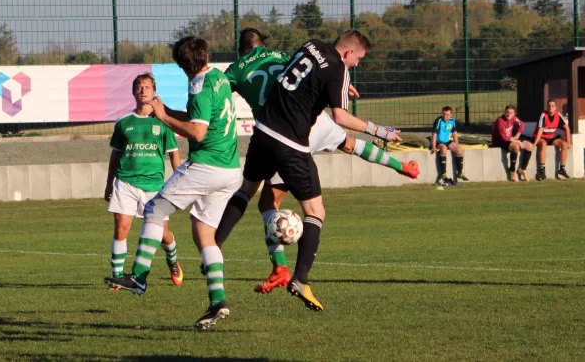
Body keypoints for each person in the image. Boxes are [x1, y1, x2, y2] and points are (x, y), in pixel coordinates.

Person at [217, 28, 419, 295]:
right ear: (348, 53)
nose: (357, 64)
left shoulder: (308, 46)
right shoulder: (288, 56)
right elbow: (340, 112)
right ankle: (295, 277)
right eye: (358, 59)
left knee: (260, 198)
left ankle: (226, 249)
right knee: (344, 153)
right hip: (301, 131)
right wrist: (379, 129)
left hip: (268, 127)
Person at [105, 37, 242, 331]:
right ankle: (218, 299)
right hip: (230, 169)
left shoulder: (199, 86)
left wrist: (164, 116)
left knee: (154, 208)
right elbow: (198, 118)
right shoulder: (218, 77)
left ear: (182, 65)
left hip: (209, 164)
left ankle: (139, 276)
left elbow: (198, 133)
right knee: (204, 234)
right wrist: (165, 111)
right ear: (206, 54)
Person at [104, 73, 183, 287]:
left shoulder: (164, 122)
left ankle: (173, 260)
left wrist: (180, 183)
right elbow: (115, 154)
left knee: (164, 235)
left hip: (155, 186)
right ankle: (118, 277)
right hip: (126, 182)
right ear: (133, 92)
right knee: (121, 228)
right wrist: (108, 183)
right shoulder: (123, 123)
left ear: (154, 92)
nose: (143, 90)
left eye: (147, 87)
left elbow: (174, 154)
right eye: (139, 87)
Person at [491, 105, 534, 182]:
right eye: (507, 112)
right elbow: (504, 138)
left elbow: (522, 125)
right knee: (515, 147)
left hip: (509, 138)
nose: (509, 114)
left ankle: (522, 169)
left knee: (530, 146)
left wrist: (518, 135)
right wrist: (517, 141)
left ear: (514, 114)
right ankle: (512, 170)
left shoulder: (513, 118)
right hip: (499, 141)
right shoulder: (500, 121)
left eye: (511, 113)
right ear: (504, 112)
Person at [531, 99, 571, 180]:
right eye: (549, 106)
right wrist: (534, 144)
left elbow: (567, 128)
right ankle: (542, 171)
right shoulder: (543, 115)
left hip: (551, 137)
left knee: (564, 145)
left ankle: (562, 169)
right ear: (547, 107)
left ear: (555, 107)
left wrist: (569, 142)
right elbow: (540, 130)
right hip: (540, 137)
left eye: (553, 106)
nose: (551, 107)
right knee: (543, 144)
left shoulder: (558, 115)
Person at [431, 106, 468, 183]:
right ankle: (443, 173)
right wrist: (434, 147)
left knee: (459, 149)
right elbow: (434, 134)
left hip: (447, 141)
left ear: (451, 115)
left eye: (447, 114)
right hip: (439, 142)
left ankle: (460, 173)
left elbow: (454, 133)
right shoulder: (438, 121)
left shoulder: (452, 121)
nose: (445, 116)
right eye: (443, 114)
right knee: (443, 148)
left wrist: (456, 144)